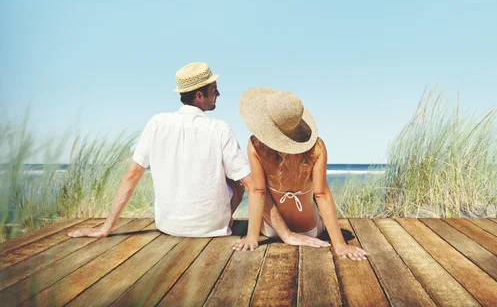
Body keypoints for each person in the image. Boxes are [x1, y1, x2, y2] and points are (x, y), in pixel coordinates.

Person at [69, 62, 264, 251]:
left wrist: (106, 228)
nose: (218, 94)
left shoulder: (156, 123)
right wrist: (252, 237)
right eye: (214, 90)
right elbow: (253, 187)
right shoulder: (220, 128)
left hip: (168, 226)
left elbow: (131, 176)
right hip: (212, 229)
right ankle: (223, 220)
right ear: (199, 95)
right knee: (236, 178)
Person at [235, 87, 368, 261]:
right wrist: (339, 244)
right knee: (316, 209)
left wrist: (252, 237)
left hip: (269, 230)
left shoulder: (256, 146)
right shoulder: (317, 148)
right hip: (310, 229)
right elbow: (321, 194)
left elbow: (258, 192)